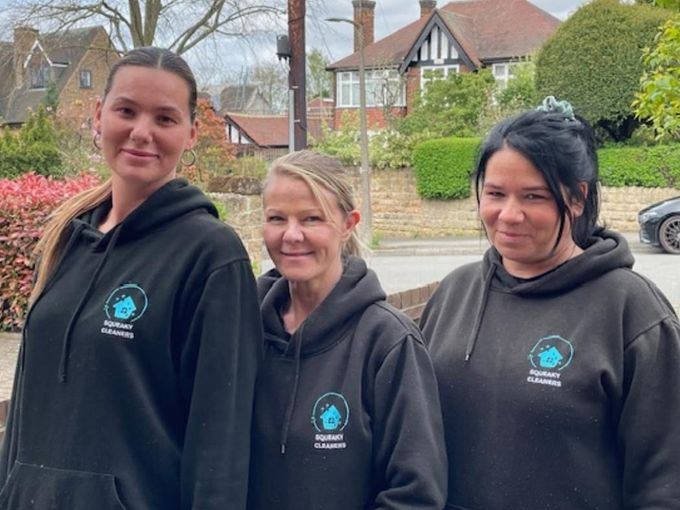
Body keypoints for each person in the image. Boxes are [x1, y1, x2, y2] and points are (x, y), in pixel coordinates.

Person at [0, 47, 262, 509]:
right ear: (99, 116)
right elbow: (25, 412)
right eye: (126, 110)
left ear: (191, 133)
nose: (142, 132)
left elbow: (220, 444)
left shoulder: (211, 256)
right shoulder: (67, 239)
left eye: (165, 118)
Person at [420, 96, 680, 509]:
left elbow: (663, 483)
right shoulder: (454, 294)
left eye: (533, 197)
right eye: (495, 193)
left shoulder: (633, 312)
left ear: (576, 198)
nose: (508, 214)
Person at [247, 150, 447, 509]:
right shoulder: (242, 331)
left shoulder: (388, 342)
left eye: (312, 219)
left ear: (348, 224)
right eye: (277, 218)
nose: (292, 235)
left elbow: (415, 493)